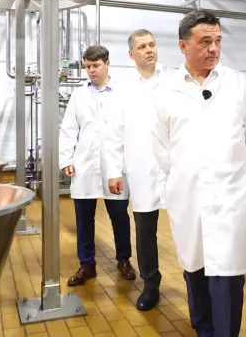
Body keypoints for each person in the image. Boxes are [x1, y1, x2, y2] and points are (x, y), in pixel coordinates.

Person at [151, 10, 246, 337]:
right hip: (187, 196)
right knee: (195, 268)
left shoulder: (239, 85)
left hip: (231, 197)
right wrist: (185, 178)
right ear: (183, 46)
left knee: (228, 275)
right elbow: (162, 149)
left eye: (217, 40)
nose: (214, 48)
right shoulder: (166, 91)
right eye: (205, 41)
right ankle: (203, 330)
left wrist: (240, 182)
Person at [59, 45, 137, 286]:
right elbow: (68, 129)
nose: (91, 70)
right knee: (84, 218)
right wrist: (66, 159)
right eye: (88, 66)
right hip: (84, 164)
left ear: (107, 64)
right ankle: (87, 264)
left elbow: (130, 131)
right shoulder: (79, 95)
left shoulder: (123, 94)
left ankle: (123, 259)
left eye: (96, 65)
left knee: (119, 215)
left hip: (115, 165)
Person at [106, 29, 171, 311]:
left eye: (152, 45)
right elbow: (114, 133)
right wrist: (113, 171)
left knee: (188, 227)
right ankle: (150, 284)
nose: (149, 50)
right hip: (141, 167)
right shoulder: (123, 90)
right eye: (142, 46)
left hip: (175, 168)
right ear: (131, 54)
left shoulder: (174, 81)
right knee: (145, 230)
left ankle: (195, 282)